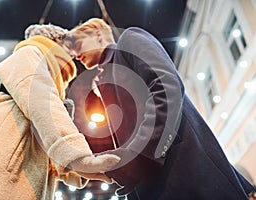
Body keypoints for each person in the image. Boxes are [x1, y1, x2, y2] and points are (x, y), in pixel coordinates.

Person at [68, 18, 254, 199]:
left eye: (77, 43)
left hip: (184, 170)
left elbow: (166, 87)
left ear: (98, 34)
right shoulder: (105, 79)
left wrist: (135, 158)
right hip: (156, 182)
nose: (75, 54)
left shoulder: (129, 40)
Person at [0, 24, 120, 200]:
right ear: (55, 41)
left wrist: (77, 168)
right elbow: (41, 100)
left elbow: (47, 139)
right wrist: (79, 158)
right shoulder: (30, 54)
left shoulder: (54, 87)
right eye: (68, 45)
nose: (74, 55)